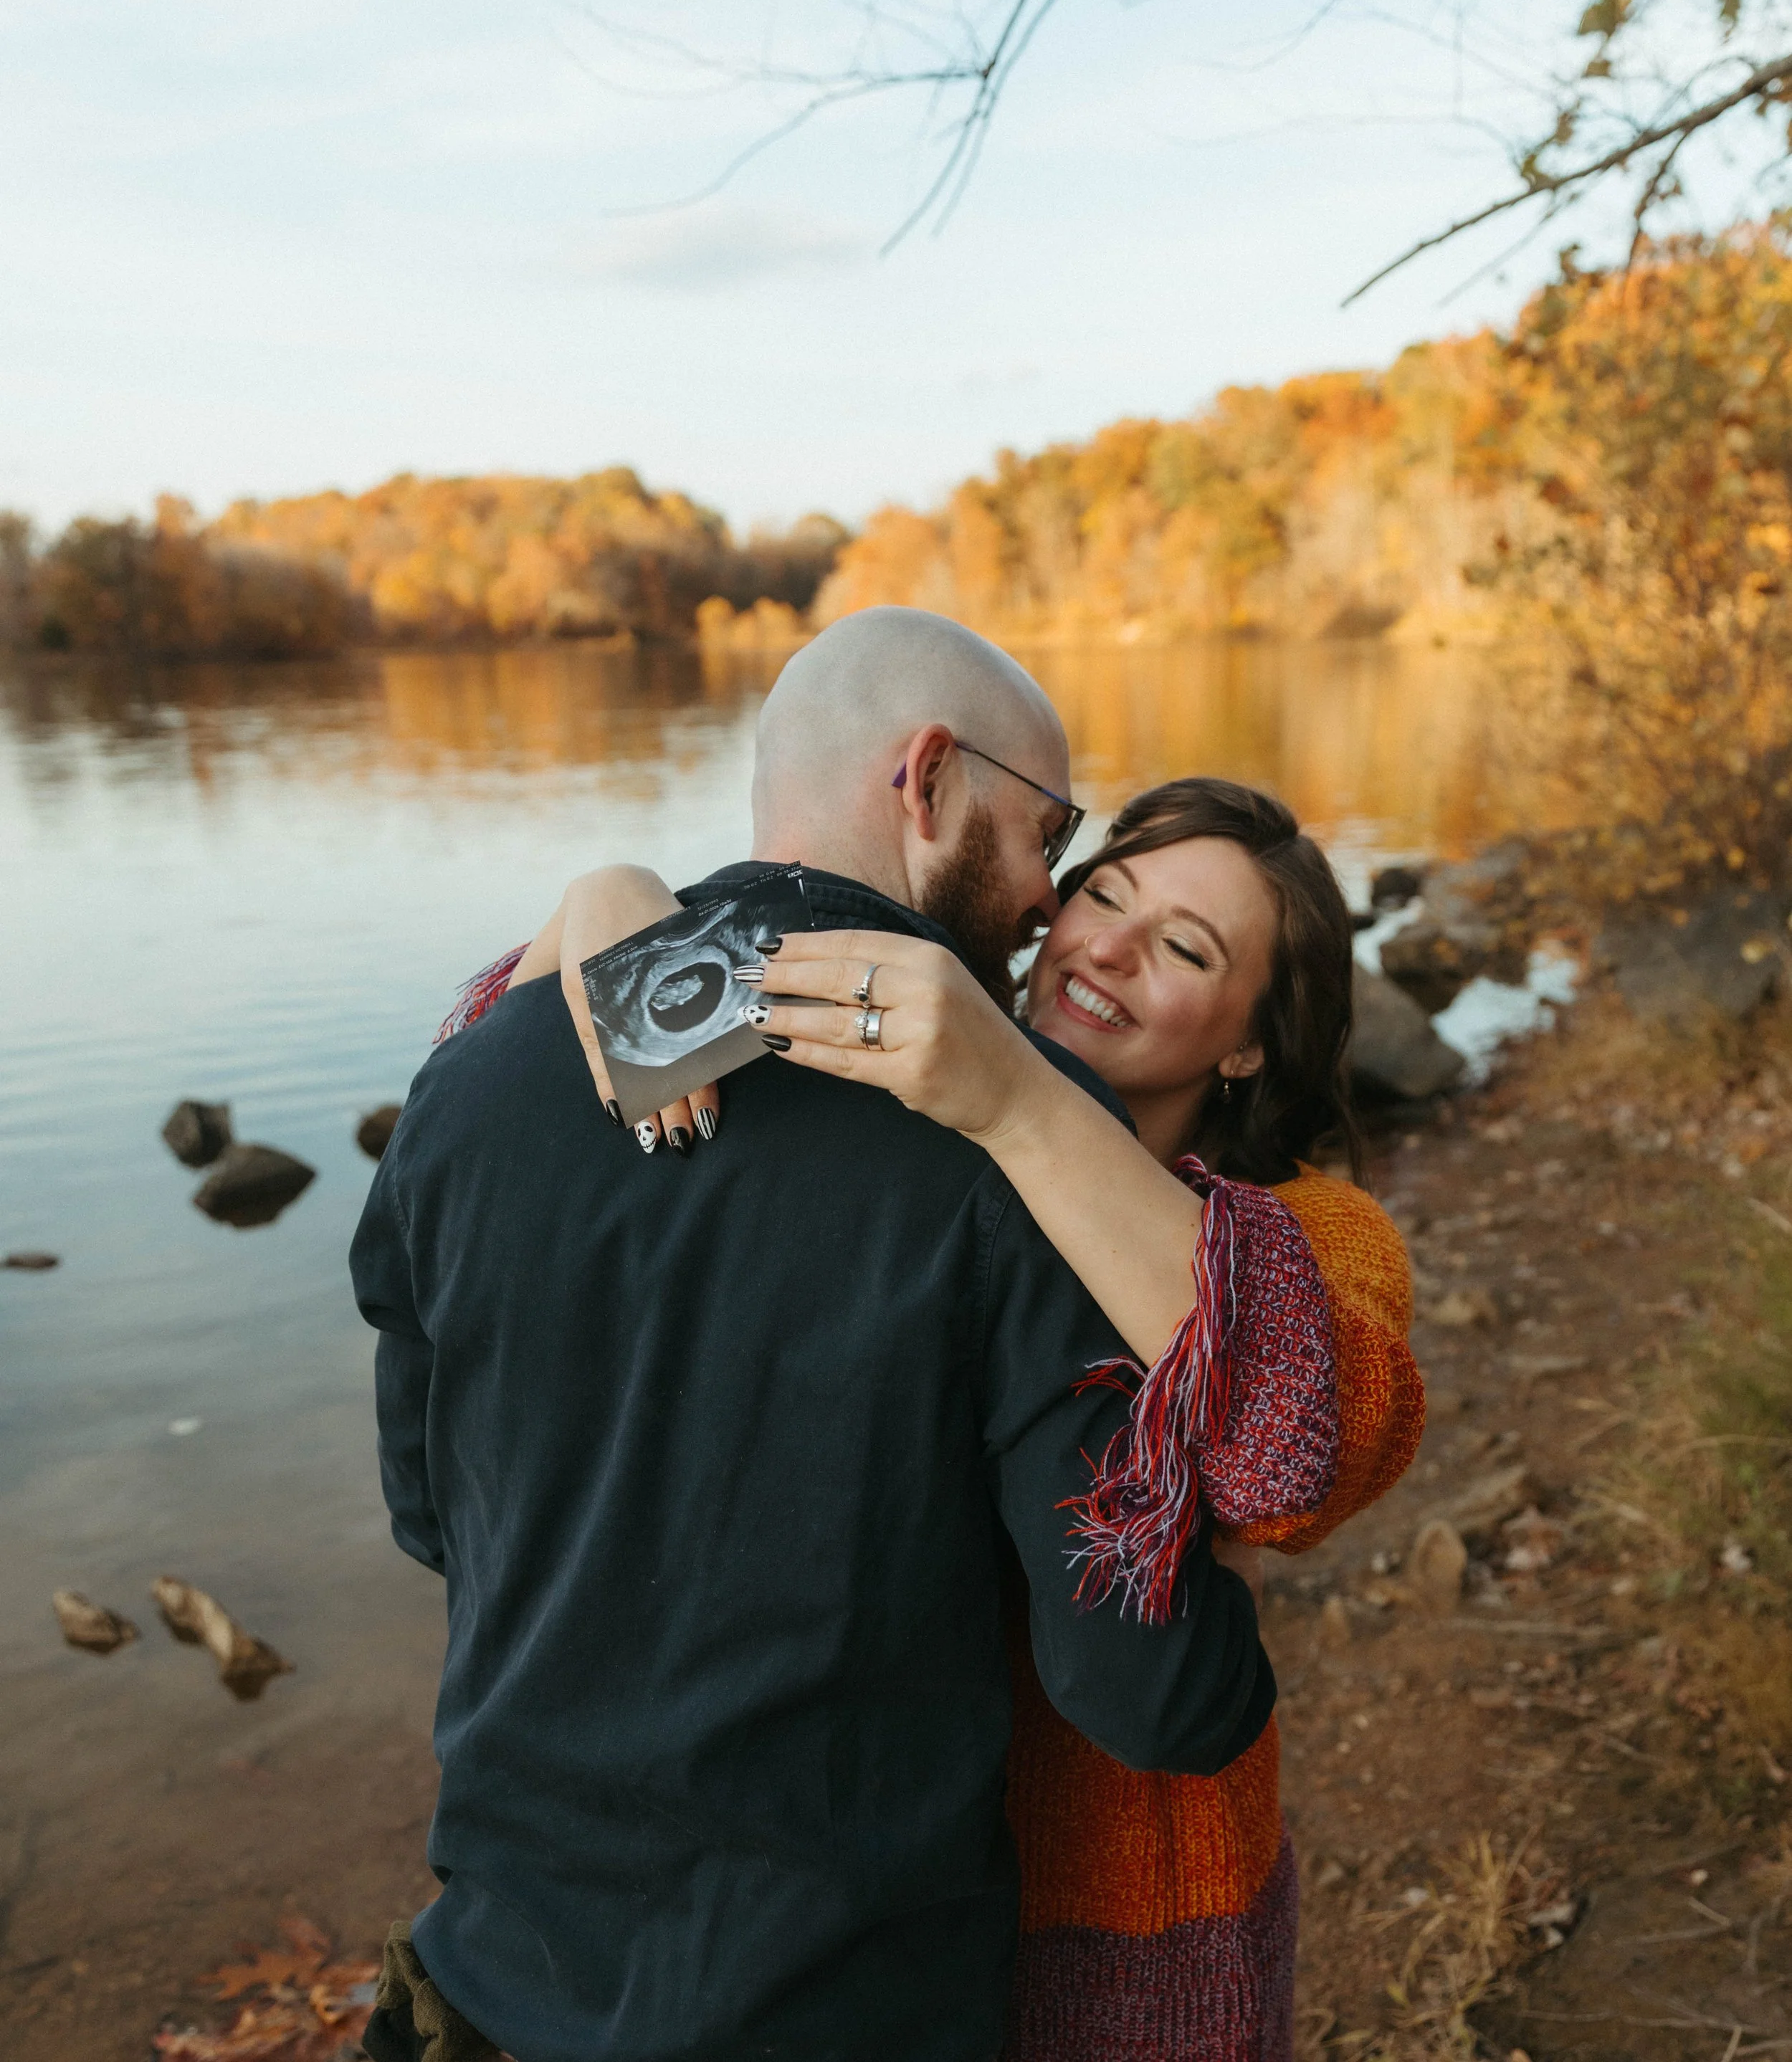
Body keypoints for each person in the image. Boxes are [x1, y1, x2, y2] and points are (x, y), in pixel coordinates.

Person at [352, 610, 1275, 2062]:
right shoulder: (1014, 1131)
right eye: (1050, 831)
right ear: (926, 780)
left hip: (504, 1974)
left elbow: (429, 1509)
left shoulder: (483, 1069)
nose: (1046, 896)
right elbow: (1146, 1685)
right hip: (839, 1995)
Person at [522, 774, 1424, 2061]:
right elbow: (498, 1058)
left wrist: (1020, 1098)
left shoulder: (1312, 1234)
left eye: (1182, 946)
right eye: (1102, 891)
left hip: (1122, 1920)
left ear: (1250, 1040)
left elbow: (1299, 1448)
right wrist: (604, 905)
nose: (1104, 944)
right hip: (849, 1904)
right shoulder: (906, 1109)